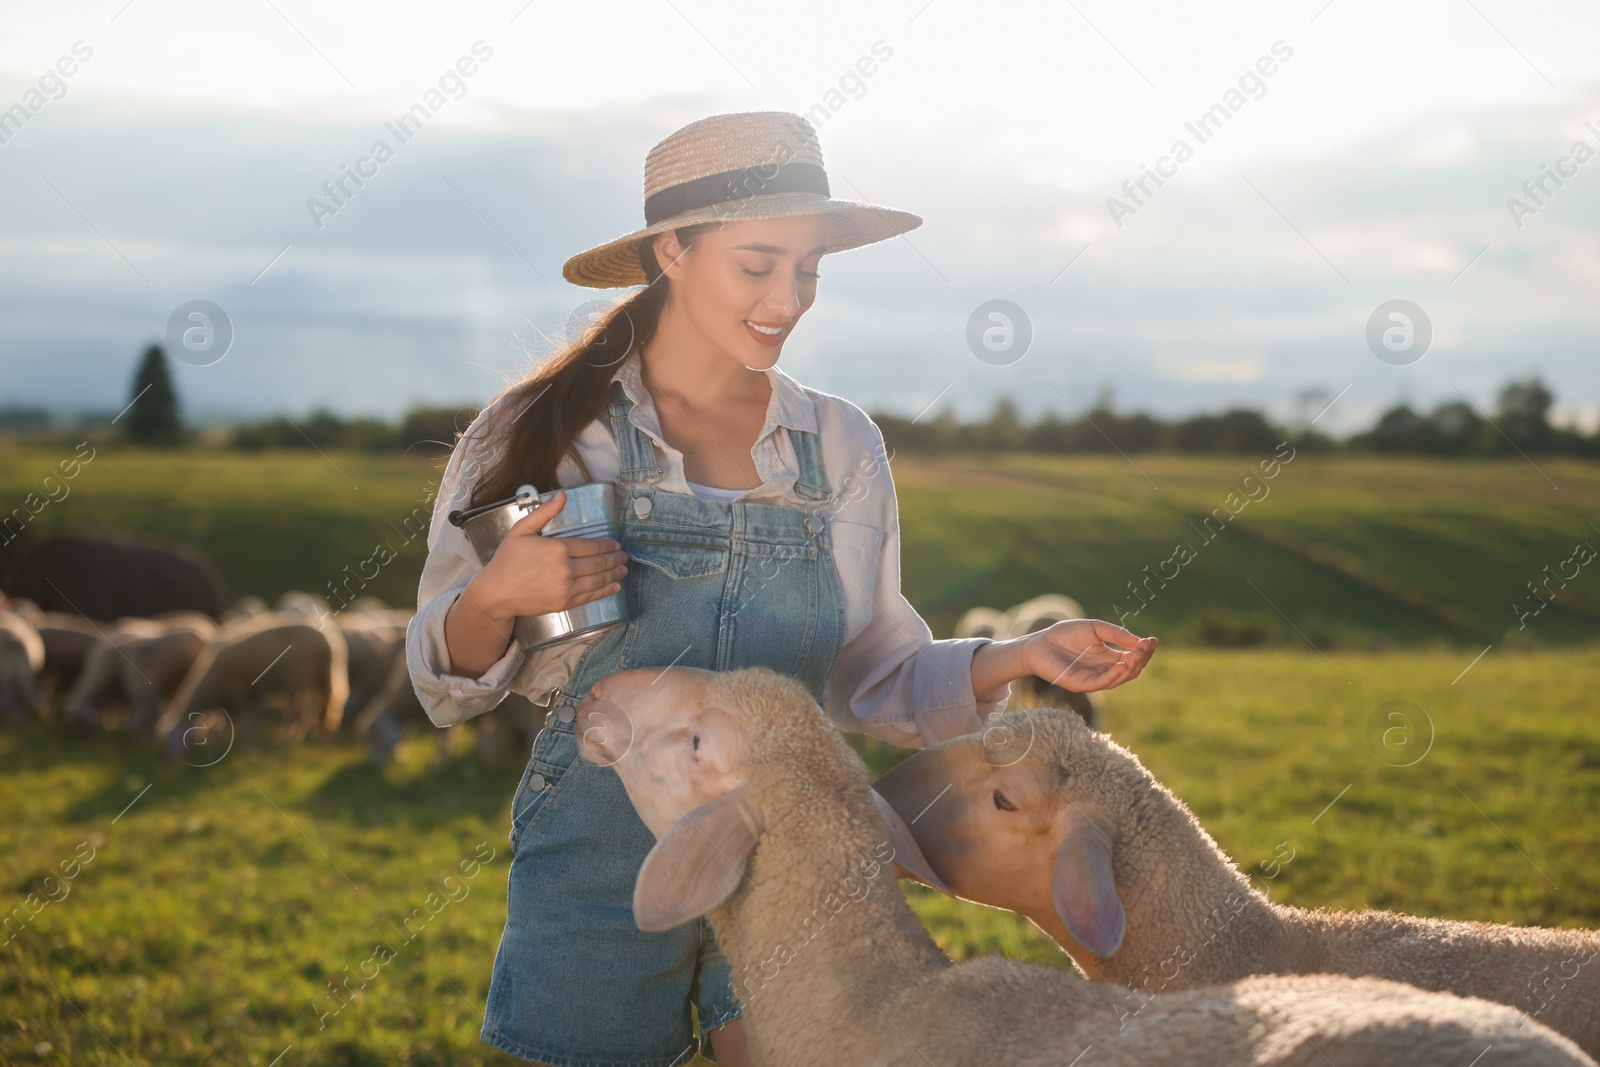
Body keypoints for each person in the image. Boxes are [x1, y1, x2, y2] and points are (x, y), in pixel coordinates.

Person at [405, 110, 1158, 1067]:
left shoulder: (838, 444)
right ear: (671, 251)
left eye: (808, 268)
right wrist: (494, 599)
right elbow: (447, 683)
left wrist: (1018, 655)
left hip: (794, 856)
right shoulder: (546, 431)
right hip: (603, 850)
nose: (788, 298)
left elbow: (870, 670)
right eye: (758, 264)